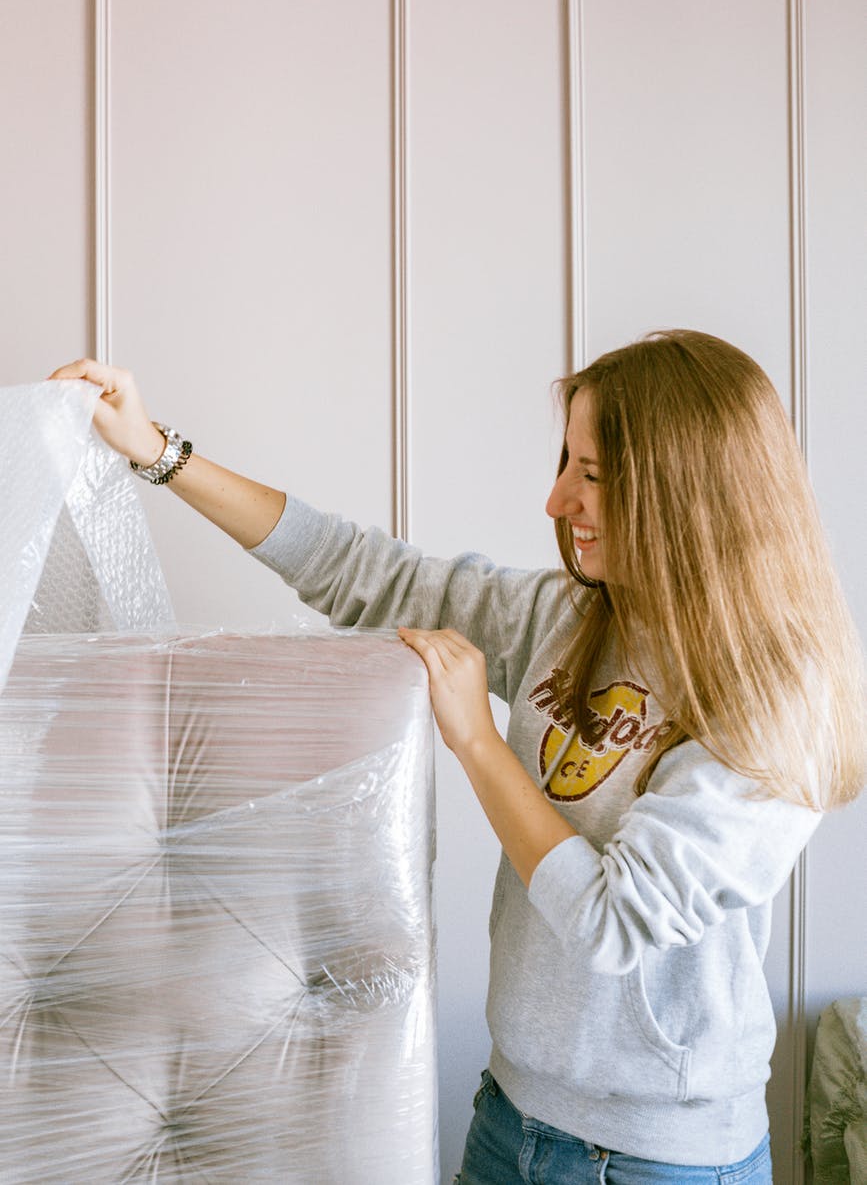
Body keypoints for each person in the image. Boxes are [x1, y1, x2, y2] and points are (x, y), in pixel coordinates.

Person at [49, 330, 866, 1184]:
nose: (556, 502)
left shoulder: (776, 697)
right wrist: (158, 452)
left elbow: (611, 922)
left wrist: (475, 739)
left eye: (591, 475)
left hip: (658, 1160)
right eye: (567, 464)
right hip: (510, 1119)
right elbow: (358, 567)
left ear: (686, 494)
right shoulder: (574, 617)